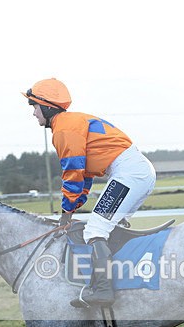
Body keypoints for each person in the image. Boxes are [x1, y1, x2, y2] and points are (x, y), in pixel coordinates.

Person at [23, 78, 157, 308]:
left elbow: (73, 172)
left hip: (129, 174)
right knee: (109, 228)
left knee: (95, 229)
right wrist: (72, 207)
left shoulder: (64, 129)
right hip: (135, 171)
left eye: (34, 107)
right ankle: (119, 280)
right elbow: (84, 176)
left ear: (46, 106)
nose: (33, 113)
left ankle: (103, 291)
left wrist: (66, 212)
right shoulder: (69, 123)